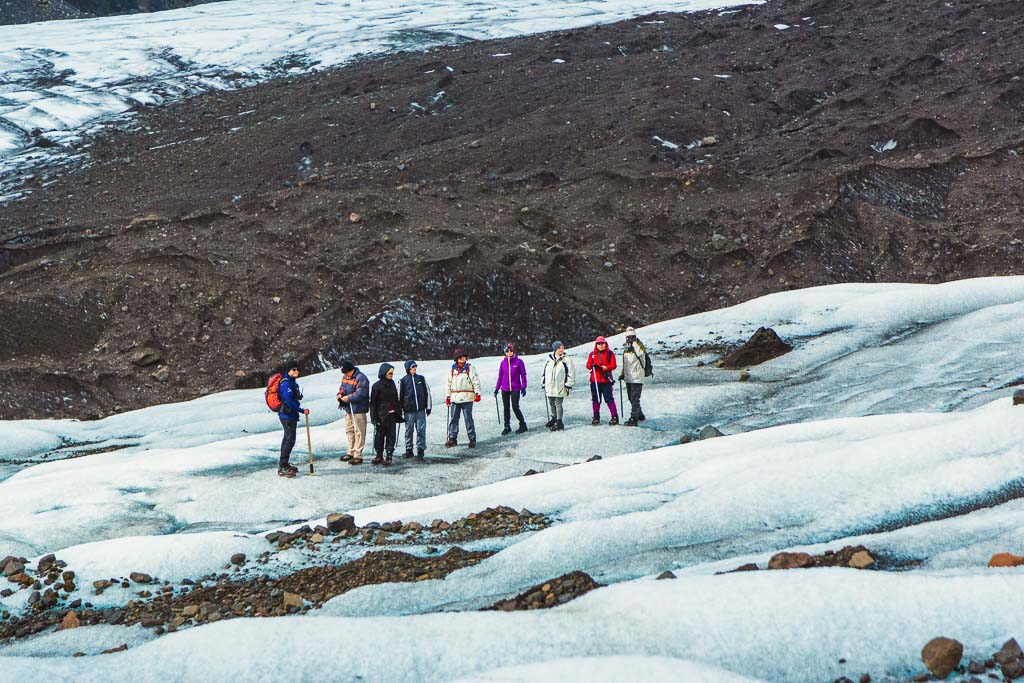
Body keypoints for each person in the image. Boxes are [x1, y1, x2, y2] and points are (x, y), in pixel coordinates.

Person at [277, 362, 309, 478]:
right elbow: (289, 401)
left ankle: (284, 463)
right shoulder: (286, 384)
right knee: (290, 440)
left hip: (289, 415)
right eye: (293, 369)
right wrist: (301, 410)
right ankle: (282, 466)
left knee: (287, 438)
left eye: (297, 369)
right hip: (287, 415)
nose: (296, 371)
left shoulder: (291, 382)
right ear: (288, 371)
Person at [445, 347, 481, 448]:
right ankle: (452, 438)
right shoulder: (452, 369)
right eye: (460, 356)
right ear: (456, 358)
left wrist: (477, 393)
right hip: (455, 397)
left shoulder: (470, 368)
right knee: (454, 419)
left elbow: (475, 381)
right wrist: (448, 397)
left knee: (468, 418)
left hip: (467, 397)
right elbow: (449, 384)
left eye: (463, 356)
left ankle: (472, 438)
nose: (462, 358)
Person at [336, 359, 370, 466]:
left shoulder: (361, 378)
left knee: (359, 431)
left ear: (352, 370)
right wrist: (340, 395)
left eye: (347, 372)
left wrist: (348, 398)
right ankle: (350, 451)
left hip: (358, 409)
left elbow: (361, 394)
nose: (345, 374)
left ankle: (358, 454)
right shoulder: (345, 377)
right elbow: (342, 388)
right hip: (348, 409)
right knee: (349, 430)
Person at [369, 363, 403, 466]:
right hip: (381, 415)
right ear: (384, 373)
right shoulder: (376, 386)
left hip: (392, 414)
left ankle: (389, 455)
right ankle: (379, 454)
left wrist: (399, 410)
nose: (392, 374)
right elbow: (373, 403)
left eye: (392, 373)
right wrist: (373, 418)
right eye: (390, 373)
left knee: (391, 436)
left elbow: (396, 399)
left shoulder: (392, 384)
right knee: (379, 436)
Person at [399, 359, 431, 460]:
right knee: (409, 431)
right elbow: (400, 396)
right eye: (413, 367)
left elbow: (427, 393)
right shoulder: (403, 380)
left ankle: (421, 450)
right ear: (408, 368)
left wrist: (428, 406)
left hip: (420, 409)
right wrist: (400, 409)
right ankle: (409, 450)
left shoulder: (421, 378)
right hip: (409, 411)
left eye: (415, 366)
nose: (414, 368)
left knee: (421, 430)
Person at [494, 343, 528, 435]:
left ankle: (523, 425)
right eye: (507, 351)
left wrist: (523, 386)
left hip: (515, 388)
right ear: (504, 352)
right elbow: (500, 377)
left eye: (511, 351)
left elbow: (523, 375)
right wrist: (497, 388)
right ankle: (507, 426)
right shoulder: (503, 363)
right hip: (504, 389)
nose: (509, 353)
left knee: (515, 407)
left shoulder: (519, 362)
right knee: (506, 408)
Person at [586, 336, 618, 426]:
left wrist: (606, 367)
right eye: (598, 344)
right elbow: (588, 366)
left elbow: (614, 365)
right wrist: (592, 365)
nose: (600, 345)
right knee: (596, 399)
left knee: (609, 399)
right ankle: (596, 417)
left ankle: (614, 416)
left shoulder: (610, 354)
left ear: (605, 344)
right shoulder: (592, 354)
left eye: (602, 343)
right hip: (595, 380)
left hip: (605, 380)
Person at [542, 341, 574, 431]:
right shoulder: (549, 359)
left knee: (558, 403)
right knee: (551, 402)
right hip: (550, 385)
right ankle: (554, 418)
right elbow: (544, 371)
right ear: (555, 349)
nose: (561, 350)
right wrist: (543, 382)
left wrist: (568, 384)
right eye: (559, 348)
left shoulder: (566, 359)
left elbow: (571, 372)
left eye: (562, 348)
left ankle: (559, 421)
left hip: (560, 385)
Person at [620, 326, 649, 427]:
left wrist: (635, 343)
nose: (630, 339)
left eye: (632, 337)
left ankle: (634, 418)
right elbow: (625, 364)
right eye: (628, 337)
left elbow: (641, 354)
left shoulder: (639, 347)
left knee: (634, 398)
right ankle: (640, 414)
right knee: (630, 398)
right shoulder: (626, 349)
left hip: (637, 377)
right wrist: (623, 374)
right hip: (629, 378)